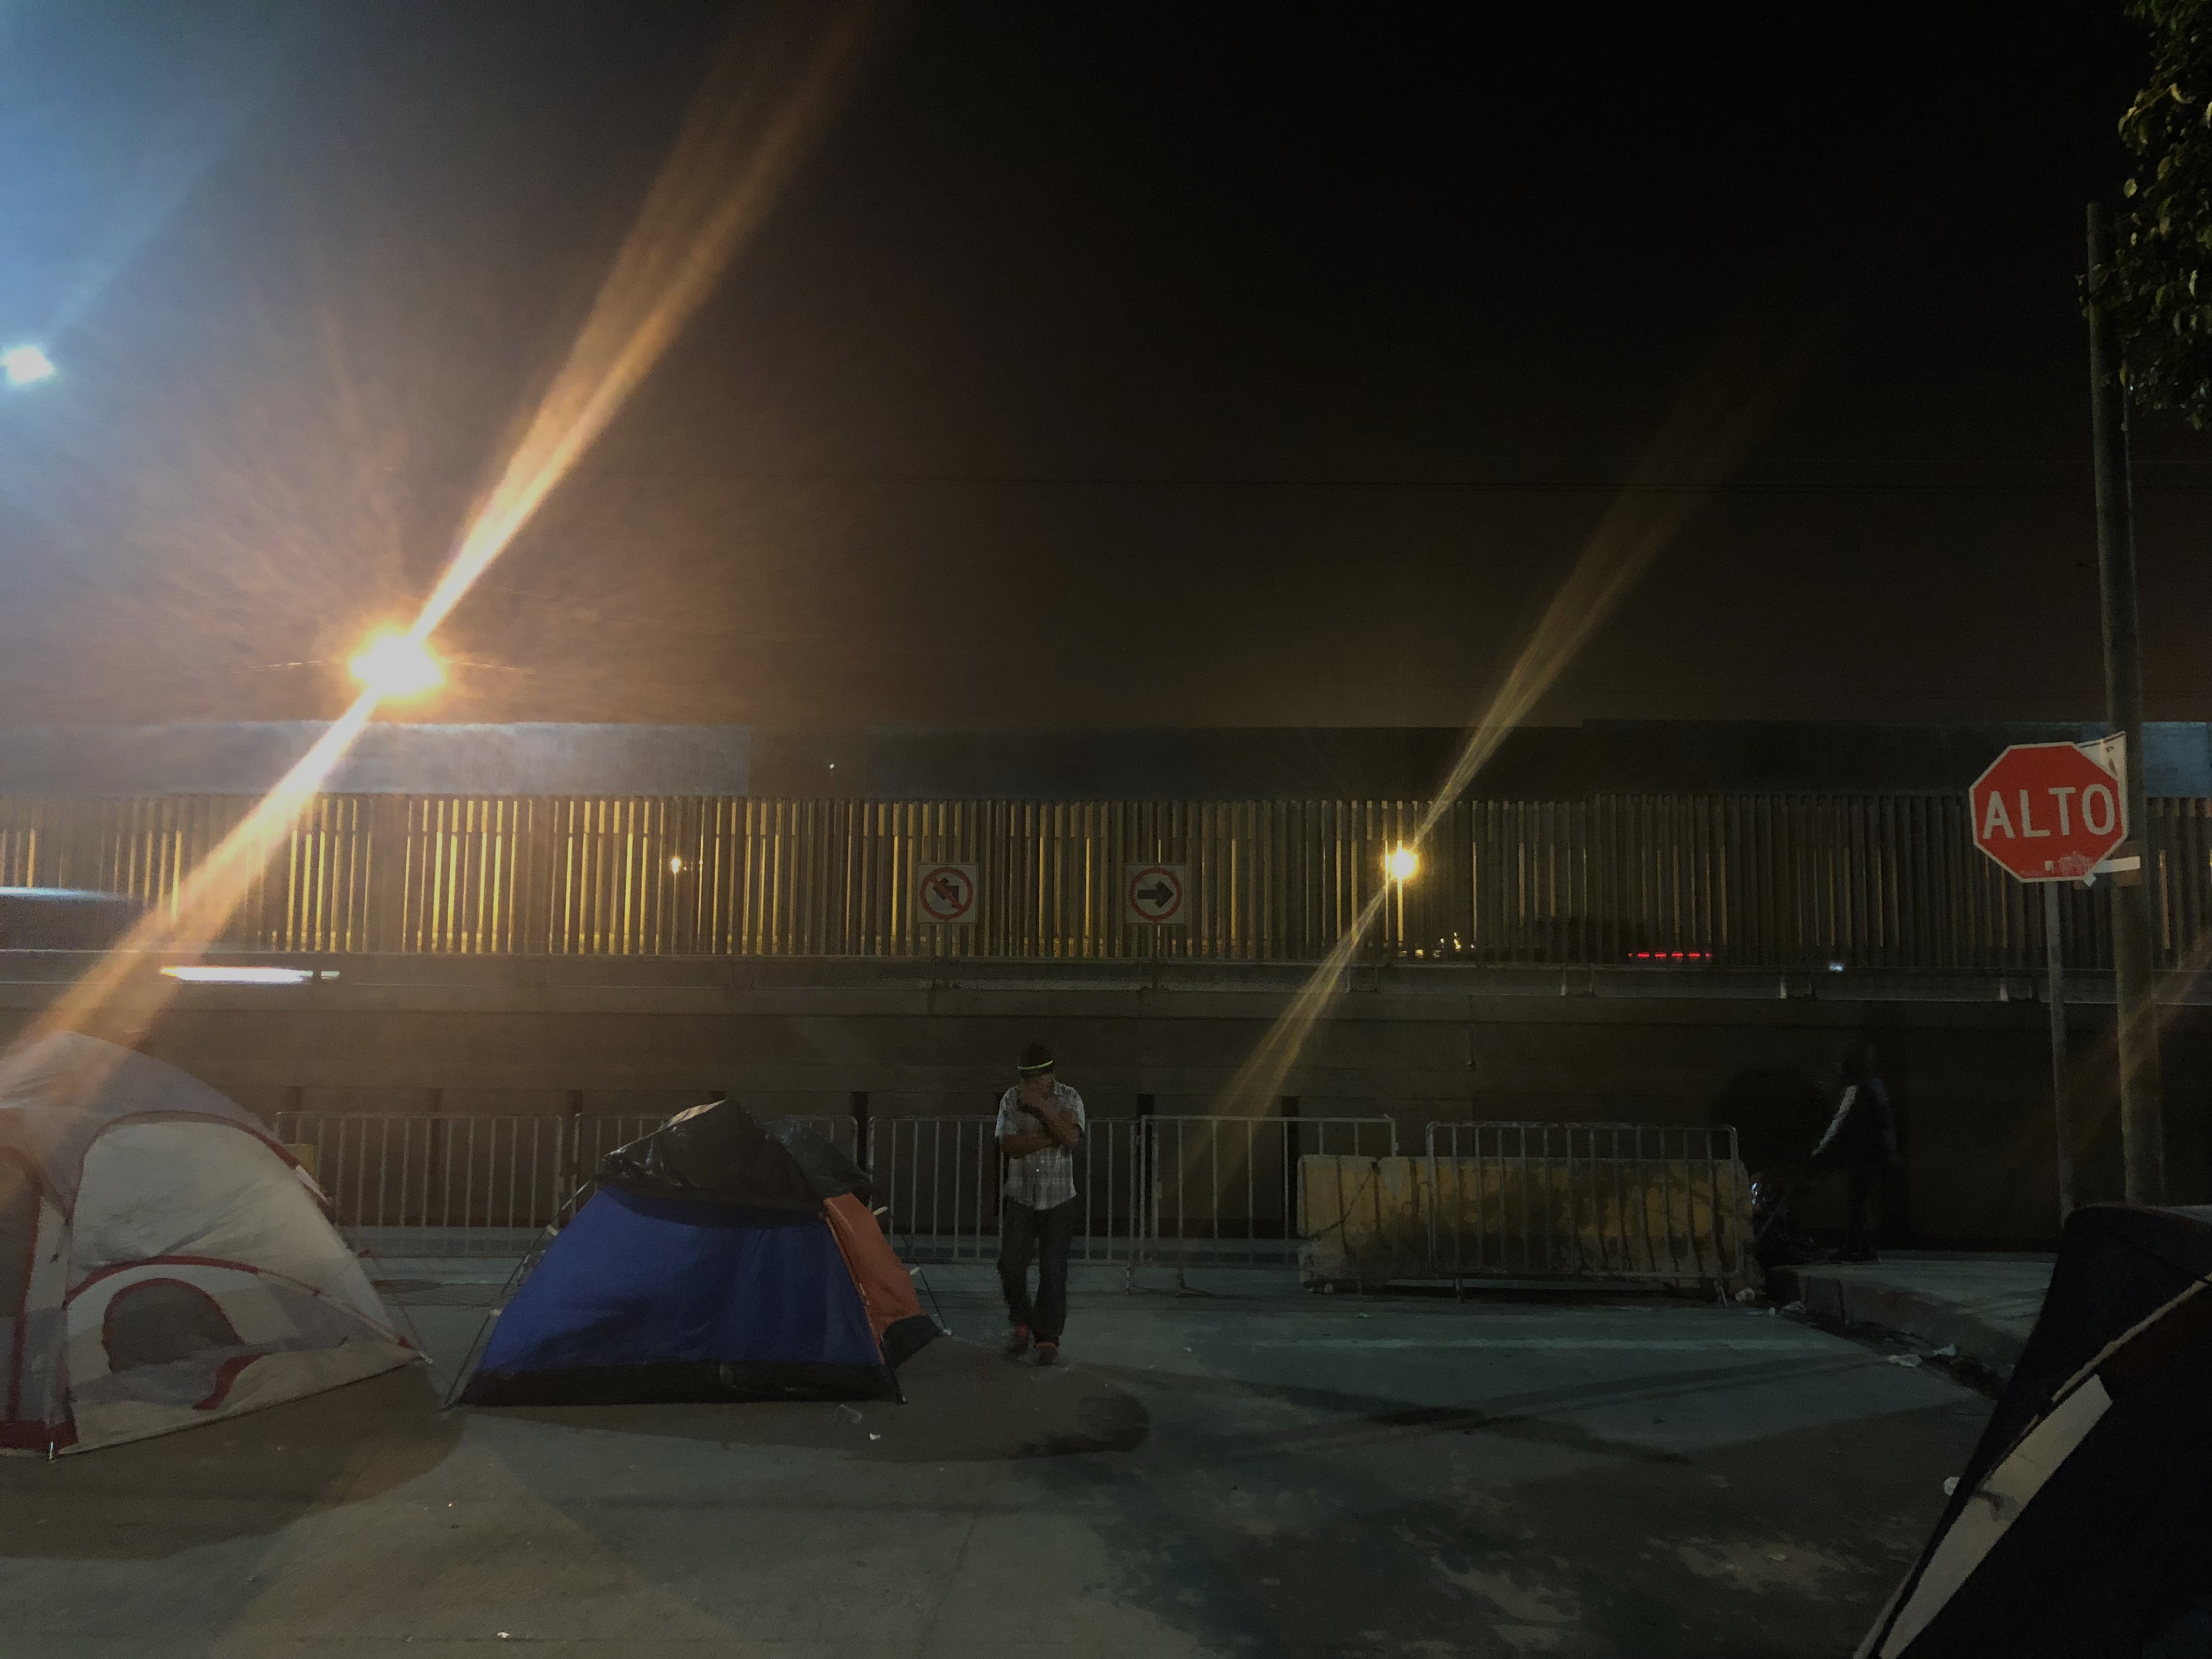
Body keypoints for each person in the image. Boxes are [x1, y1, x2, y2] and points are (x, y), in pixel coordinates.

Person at [995, 1041, 1086, 1365]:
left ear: (1050, 1077)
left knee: (1053, 1270)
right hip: (1021, 1195)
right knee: (1011, 1265)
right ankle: (1022, 1321)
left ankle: (1047, 1337)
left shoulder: (1070, 1098)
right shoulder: (1011, 1099)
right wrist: (1051, 1137)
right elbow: (1009, 1144)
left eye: (1037, 1081)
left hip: (1059, 1197)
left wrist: (1045, 1109)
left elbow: (1073, 1139)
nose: (1030, 1088)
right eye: (1026, 1081)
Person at [1808, 1039, 1900, 1263]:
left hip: (1864, 1154)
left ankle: (1862, 1248)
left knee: (1855, 1201)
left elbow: (1839, 1121)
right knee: (1857, 1200)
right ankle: (1853, 1246)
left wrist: (1820, 1149)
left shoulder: (1854, 1089)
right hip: (1880, 1153)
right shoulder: (1874, 1085)